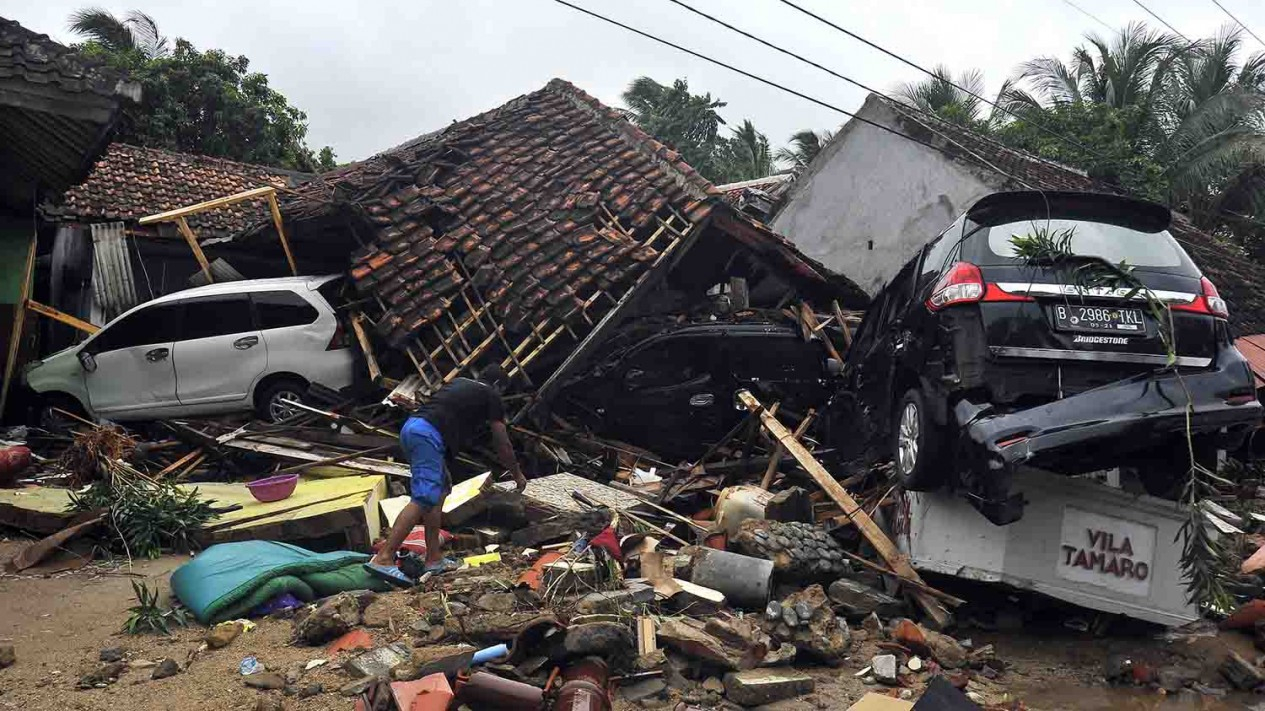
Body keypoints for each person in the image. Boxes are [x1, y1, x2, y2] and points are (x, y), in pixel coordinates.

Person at [366, 364, 526, 583]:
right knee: (424, 497)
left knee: (440, 489)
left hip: (413, 428)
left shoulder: (459, 382)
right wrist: (517, 473)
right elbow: (502, 441)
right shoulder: (491, 395)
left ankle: (433, 558)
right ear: (498, 385)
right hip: (427, 436)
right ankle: (383, 557)